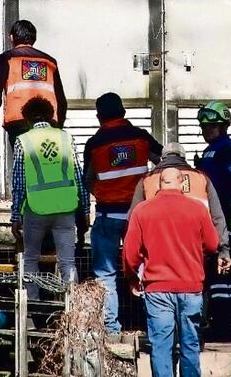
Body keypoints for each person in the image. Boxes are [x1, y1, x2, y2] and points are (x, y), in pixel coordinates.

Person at [123, 166, 222, 377]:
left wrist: (132, 278)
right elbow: (213, 245)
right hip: (191, 286)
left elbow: (130, 253)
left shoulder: (142, 210)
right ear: (181, 183)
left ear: (159, 184)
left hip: (157, 289)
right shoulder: (197, 209)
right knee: (190, 344)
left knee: (160, 345)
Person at [83, 92, 163, 338]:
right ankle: (156, 327)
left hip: (108, 215)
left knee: (106, 274)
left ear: (99, 117)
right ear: (124, 112)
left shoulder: (94, 144)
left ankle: (111, 330)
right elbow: (162, 161)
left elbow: (86, 179)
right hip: (139, 216)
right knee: (148, 269)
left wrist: (101, 192)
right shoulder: (140, 137)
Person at [10, 97, 90, 299]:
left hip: (36, 209)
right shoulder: (65, 138)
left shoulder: (23, 140)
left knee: (30, 259)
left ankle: (33, 305)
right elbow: (79, 176)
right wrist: (86, 210)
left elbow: (19, 183)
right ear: (50, 115)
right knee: (67, 262)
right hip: (65, 207)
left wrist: (15, 217)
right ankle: (71, 307)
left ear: (27, 118)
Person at [0, 19, 68, 150]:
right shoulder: (50, 62)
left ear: (11, 37)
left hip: (18, 122)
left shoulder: (7, 58)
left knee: (24, 164)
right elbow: (61, 98)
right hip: (48, 123)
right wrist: (59, 124)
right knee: (46, 164)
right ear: (34, 38)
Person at [195, 101, 231, 341]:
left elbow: (223, 188)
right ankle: (217, 323)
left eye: (212, 126)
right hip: (212, 222)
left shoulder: (226, 149)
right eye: (204, 127)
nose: (207, 130)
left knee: (223, 276)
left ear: (223, 126)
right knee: (215, 277)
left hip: (222, 221)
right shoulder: (212, 149)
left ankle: (224, 327)